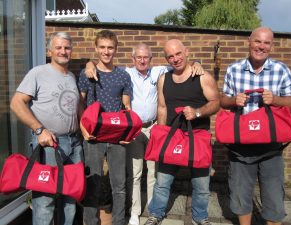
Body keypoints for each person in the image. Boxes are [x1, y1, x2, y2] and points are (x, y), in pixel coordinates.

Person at [85, 43, 204, 225]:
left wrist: (196, 62)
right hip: (135, 130)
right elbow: (103, 64)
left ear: (151, 59)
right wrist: (89, 63)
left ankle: (152, 211)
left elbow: (181, 63)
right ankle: (134, 212)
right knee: (135, 173)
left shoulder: (159, 71)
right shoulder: (126, 73)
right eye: (138, 57)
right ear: (133, 59)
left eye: (145, 57)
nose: (142, 60)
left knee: (153, 173)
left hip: (154, 127)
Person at [220, 27, 291, 225]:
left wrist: (276, 99)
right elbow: (223, 102)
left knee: (274, 202)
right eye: (257, 41)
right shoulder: (234, 69)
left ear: (271, 46)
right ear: (249, 41)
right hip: (240, 148)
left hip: (271, 148)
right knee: (240, 197)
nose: (261, 46)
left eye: (266, 43)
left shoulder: (281, 70)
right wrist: (233, 100)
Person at [144, 39, 220, 225]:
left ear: (186, 52)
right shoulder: (164, 79)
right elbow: (162, 107)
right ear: (166, 59)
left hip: (198, 136)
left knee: (201, 185)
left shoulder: (202, 77)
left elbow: (216, 102)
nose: (175, 59)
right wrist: (161, 134)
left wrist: (198, 112)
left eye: (178, 54)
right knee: (162, 182)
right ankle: (156, 214)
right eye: (170, 56)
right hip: (172, 136)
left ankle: (200, 218)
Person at [10, 32, 83, 225]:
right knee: (45, 200)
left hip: (74, 144)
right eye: (58, 47)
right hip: (49, 144)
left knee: (70, 198)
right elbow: (17, 103)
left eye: (67, 47)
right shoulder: (38, 73)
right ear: (49, 50)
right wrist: (39, 130)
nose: (63, 51)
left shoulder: (71, 77)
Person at [78, 30, 132, 225]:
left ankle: (118, 222)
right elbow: (80, 104)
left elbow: (127, 107)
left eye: (110, 47)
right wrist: (82, 128)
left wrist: (129, 133)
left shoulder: (123, 76)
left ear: (116, 49)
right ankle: (90, 222)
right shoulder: (87, 73)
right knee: (92, 183)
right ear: (96, 48)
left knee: (119, 185)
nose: (106, 51)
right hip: (93, 136)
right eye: (102, 47)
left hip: (117, 137)